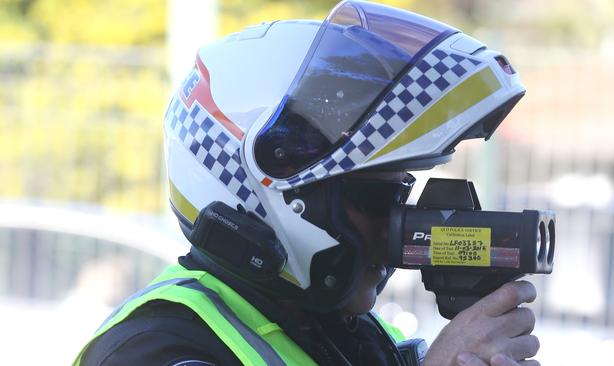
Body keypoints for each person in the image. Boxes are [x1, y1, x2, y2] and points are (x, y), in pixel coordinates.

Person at [75, 1, 539, 365]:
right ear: (267, 194)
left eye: (401, 195)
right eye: (374, 199)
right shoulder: (153, 347)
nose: (392, 228)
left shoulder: (357, 338)